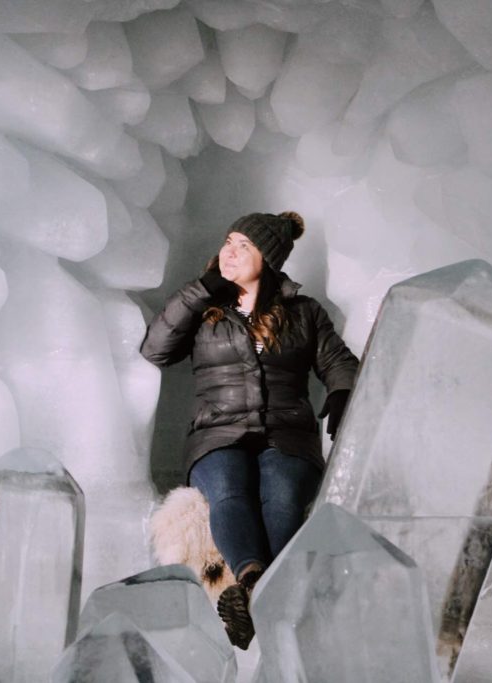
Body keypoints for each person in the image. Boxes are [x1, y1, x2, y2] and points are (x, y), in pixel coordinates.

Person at [140, 210, 360, 648]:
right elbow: (156, 349)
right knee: (228, 485)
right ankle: (254, 581)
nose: (230, 251)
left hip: (288, 434)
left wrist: (341, 392)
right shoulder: (205, 310)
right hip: (216, 433)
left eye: (244, 245)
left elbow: (339, 362)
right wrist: (202, 291)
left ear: (270, 258)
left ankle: (256, 595)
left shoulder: (303, 312)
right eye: (228, 241)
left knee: (282, 492)